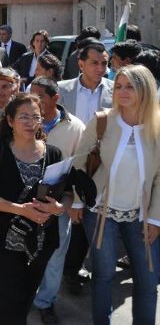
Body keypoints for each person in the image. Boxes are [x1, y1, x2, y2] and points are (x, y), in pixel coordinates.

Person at [70, 65, 160, 324]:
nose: (121, 91)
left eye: (129, 86)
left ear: (145, 89)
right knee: (103, 275)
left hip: (141, 217)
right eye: (118, 85)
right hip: (101, 213)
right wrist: (77, 200)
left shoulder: (156, 126)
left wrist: (155, 219)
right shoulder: (101, 121)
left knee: (147, 280)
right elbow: (79, 164)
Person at [0, 93, 65, 325]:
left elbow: (64, 196)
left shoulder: (53, 153)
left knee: (25, 300)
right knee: (9, 307)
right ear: (10, 120)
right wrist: (21, 209)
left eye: (35, 117)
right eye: (23, 117)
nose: (30, 122)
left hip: (39, 244)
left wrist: (58, 208)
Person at [57, 39, 113, 294]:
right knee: (61, 214)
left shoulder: (117, 91)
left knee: (85, 217)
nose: (101, 68)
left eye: (104, 63)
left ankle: (72, 269)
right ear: (80, 63)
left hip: (100, 166)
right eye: (95, 63)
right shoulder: (62, 90)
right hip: (65, 161)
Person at [29, 77, 86, 323]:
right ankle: (25, 294)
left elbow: (81, 165)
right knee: (25, 251)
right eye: (31, 94)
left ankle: (45, 301)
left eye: (40, 96)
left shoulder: (75, 127)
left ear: (56, 98)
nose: (34, 101)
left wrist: (74, 202)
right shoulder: (24, 119)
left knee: (56, 253)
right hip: (26, 199)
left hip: (59, 200)